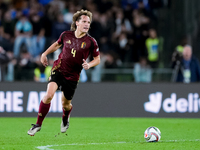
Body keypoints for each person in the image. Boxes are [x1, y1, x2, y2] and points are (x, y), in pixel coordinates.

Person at [27, 9, 100, 136]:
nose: (87, 24)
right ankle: (38, 124)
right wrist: (44, 54)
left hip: (73, 76)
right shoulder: (66, 35)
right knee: (49, 95)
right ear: (77, 23)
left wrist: (89, 64)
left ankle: (65, 118)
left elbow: (97, 59)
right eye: (84, 21)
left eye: (88, 22)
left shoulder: (91, 42)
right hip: (59, 69)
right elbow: (56, 45)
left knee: (65, 104)